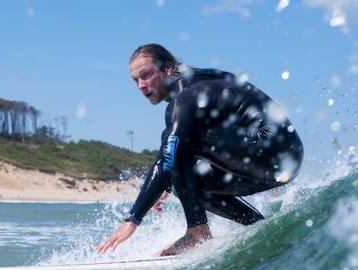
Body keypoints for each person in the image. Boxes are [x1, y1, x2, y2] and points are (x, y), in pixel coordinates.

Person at [96, 43, 303, 256]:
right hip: (286, 154)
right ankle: (258, 226)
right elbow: (177, 158)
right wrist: (168, 185)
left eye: (146, 75)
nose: (140, 85)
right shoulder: (198, 80)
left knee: (172, 137)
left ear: (167, 69)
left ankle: (197, 232)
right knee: (187, 183)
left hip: (271, 150)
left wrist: (133, 219)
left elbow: (169, 155)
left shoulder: (183, 99)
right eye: (135, 80)